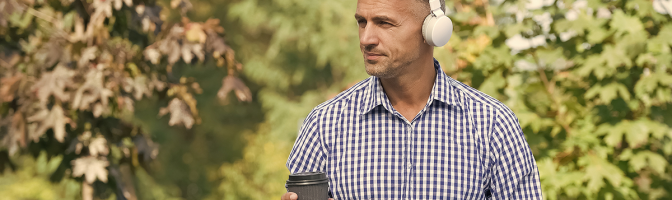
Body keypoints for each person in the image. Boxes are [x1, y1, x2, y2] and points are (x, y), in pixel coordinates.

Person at [281, 0, 543, 199]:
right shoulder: (324, 123)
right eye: (362, 22)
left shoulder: (492, 124)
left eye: (384, 23)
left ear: (433, 30)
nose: (366, 39)